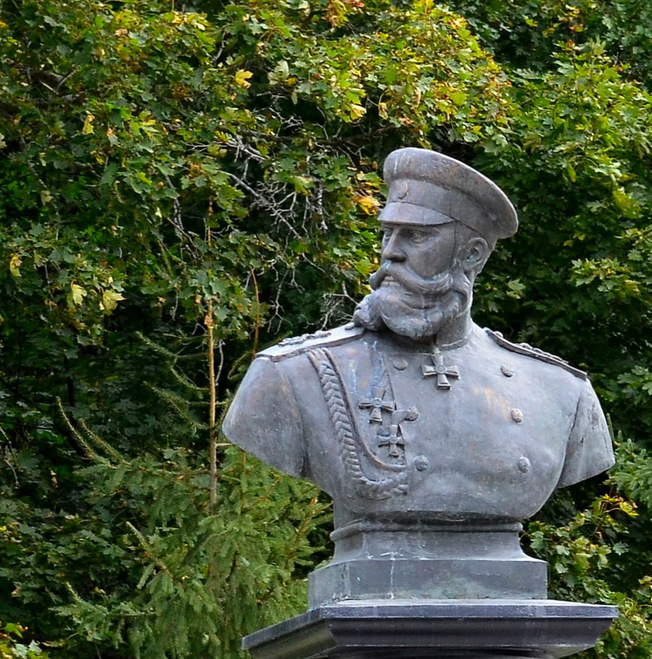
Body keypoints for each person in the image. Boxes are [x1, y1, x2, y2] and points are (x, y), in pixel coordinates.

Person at [222, 147, 614, 604]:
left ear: (472, 255)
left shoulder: (561, 392)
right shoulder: (293, 376)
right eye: (388, 234)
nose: (391, 255)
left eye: (416, 237)